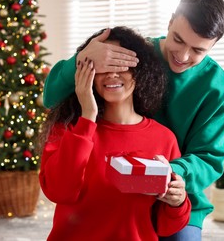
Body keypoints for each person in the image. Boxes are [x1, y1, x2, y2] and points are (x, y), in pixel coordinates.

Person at [42, 0, 224, 240]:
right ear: (170, 21)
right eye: (178, 39)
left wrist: (164, 176)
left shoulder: (219, 88)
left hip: (174, 189)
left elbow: (209, 157)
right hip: (110, 184)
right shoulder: (136, 53)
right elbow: (52, 98)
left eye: (198, 50)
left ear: (213, 45)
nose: (183, 55)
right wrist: (84, 57)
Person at [39, 26, 191, 241]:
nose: (112, 73)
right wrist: (87, 117)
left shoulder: (164, 139)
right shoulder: (67, 128)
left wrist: (178, 201)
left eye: (122, 64)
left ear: (141, 71)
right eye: (103, 65)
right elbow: (59, 192)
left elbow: (165, 226)